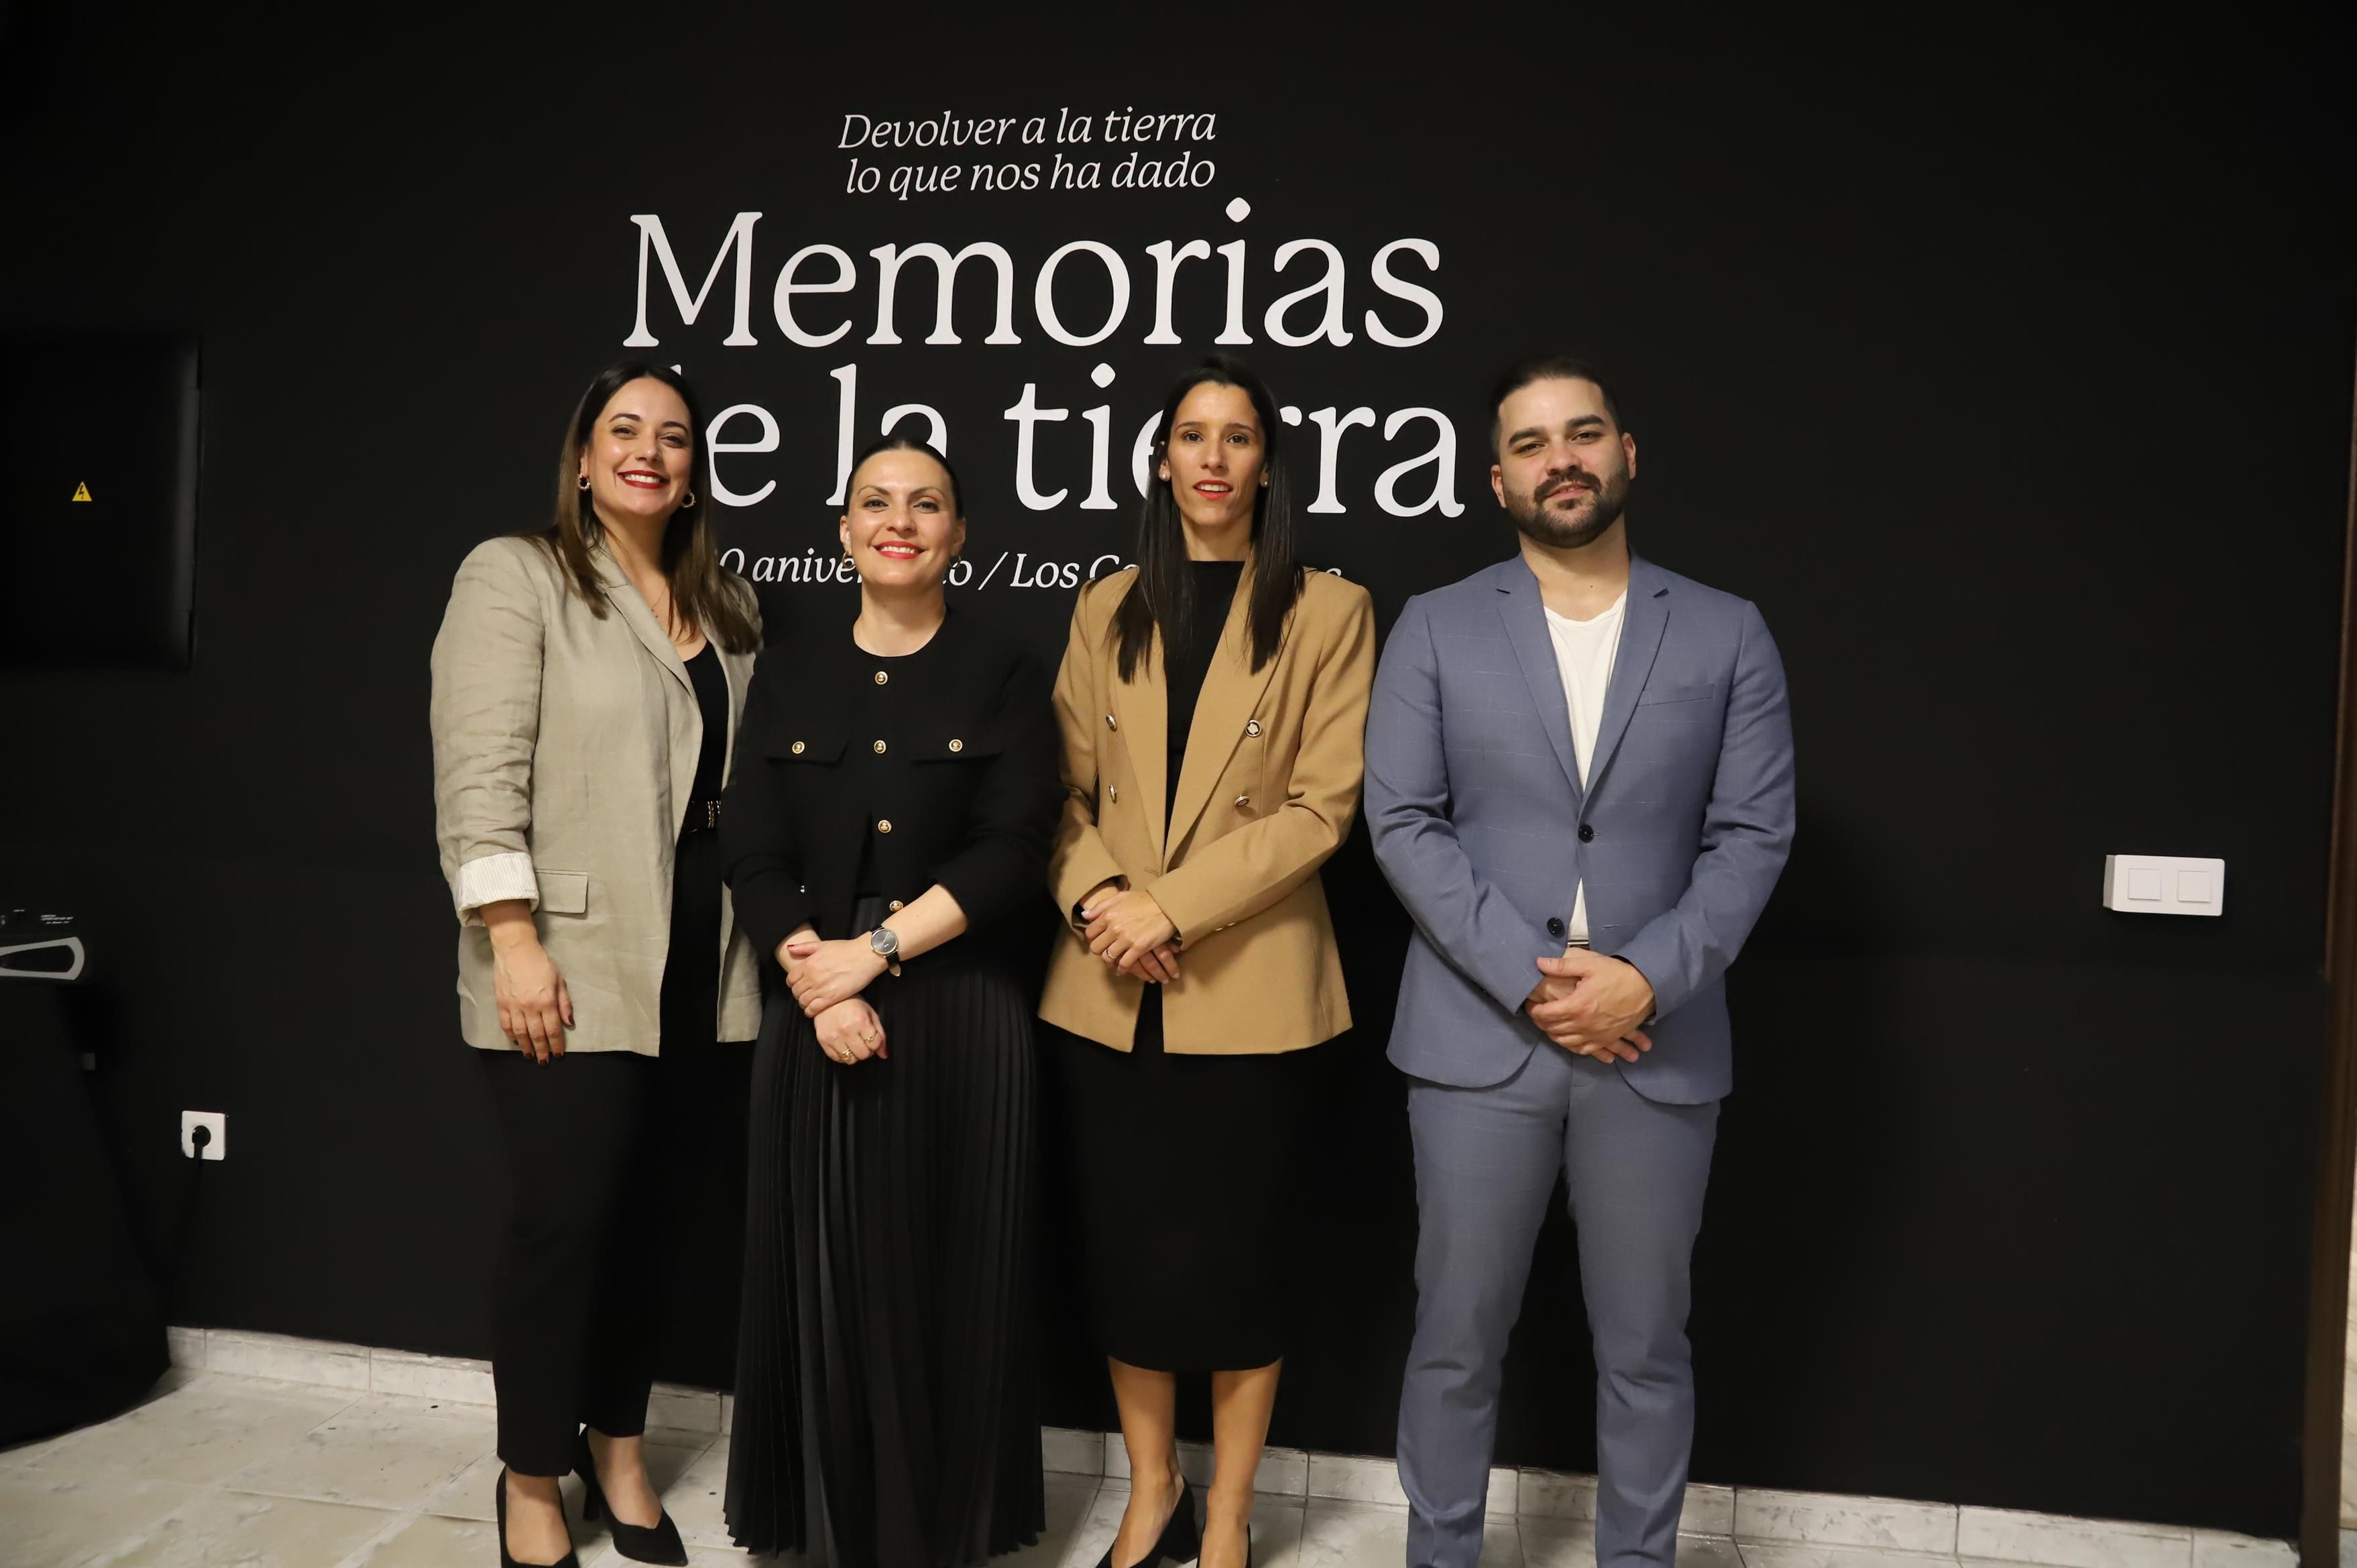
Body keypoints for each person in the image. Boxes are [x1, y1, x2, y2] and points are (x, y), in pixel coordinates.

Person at [1366, 356, 1796, 1568]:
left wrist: (1644, 980)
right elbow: (1402, 819)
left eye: (1584, 433)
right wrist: (1540, 982)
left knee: (1647, 1348)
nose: (1562, 458)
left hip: (1657, 1044)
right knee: (1453, 1342)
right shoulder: (1438, 626)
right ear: (1496, 478)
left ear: (1626, 454)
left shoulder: (1725, 630)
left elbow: (1752, 834)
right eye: (1532, 442)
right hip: (1476, 1041)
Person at [1040, 356, 1375, 1568]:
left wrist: (1166, 909)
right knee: (1127, 1258)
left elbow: (1323, 809)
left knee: (1239, 1263)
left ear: (1266, 464)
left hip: (1250, 990)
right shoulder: (1105, 602)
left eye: (1239, 438)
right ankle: (1152, 1492)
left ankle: (1228, 1512)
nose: (1215, 459)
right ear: (1163, 459)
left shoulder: (1330, 612)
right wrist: (1101, 904)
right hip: (1106, 987)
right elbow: (1057, 795)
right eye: (1193, 436)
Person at [430, 361, 765, 1568]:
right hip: (565, 959)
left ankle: (617, 1451)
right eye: (624, 430)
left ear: (694, 472)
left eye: (674, 438)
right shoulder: (515, 575)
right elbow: (479, 778)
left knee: (656, 1226)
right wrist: (511, 940)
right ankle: (530, 1476)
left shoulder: (727, 603)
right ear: (582, 457)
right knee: (564, 1226)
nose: (649, 452)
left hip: (701, 966)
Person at [720, 434, 1061, 1568]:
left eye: (926, 505)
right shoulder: (790, 665)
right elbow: (753, 851)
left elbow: (1016, 846)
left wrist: (875, 954)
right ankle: (821, 1534)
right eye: (876, 503)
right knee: (819, 1279)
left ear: (960, 535)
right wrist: (819, 981)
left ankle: (942, 1538)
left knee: (949, 1281)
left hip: (960, 1004)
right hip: (815, 993)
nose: (899, 522)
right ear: (843, 531)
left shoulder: (1009, 664)